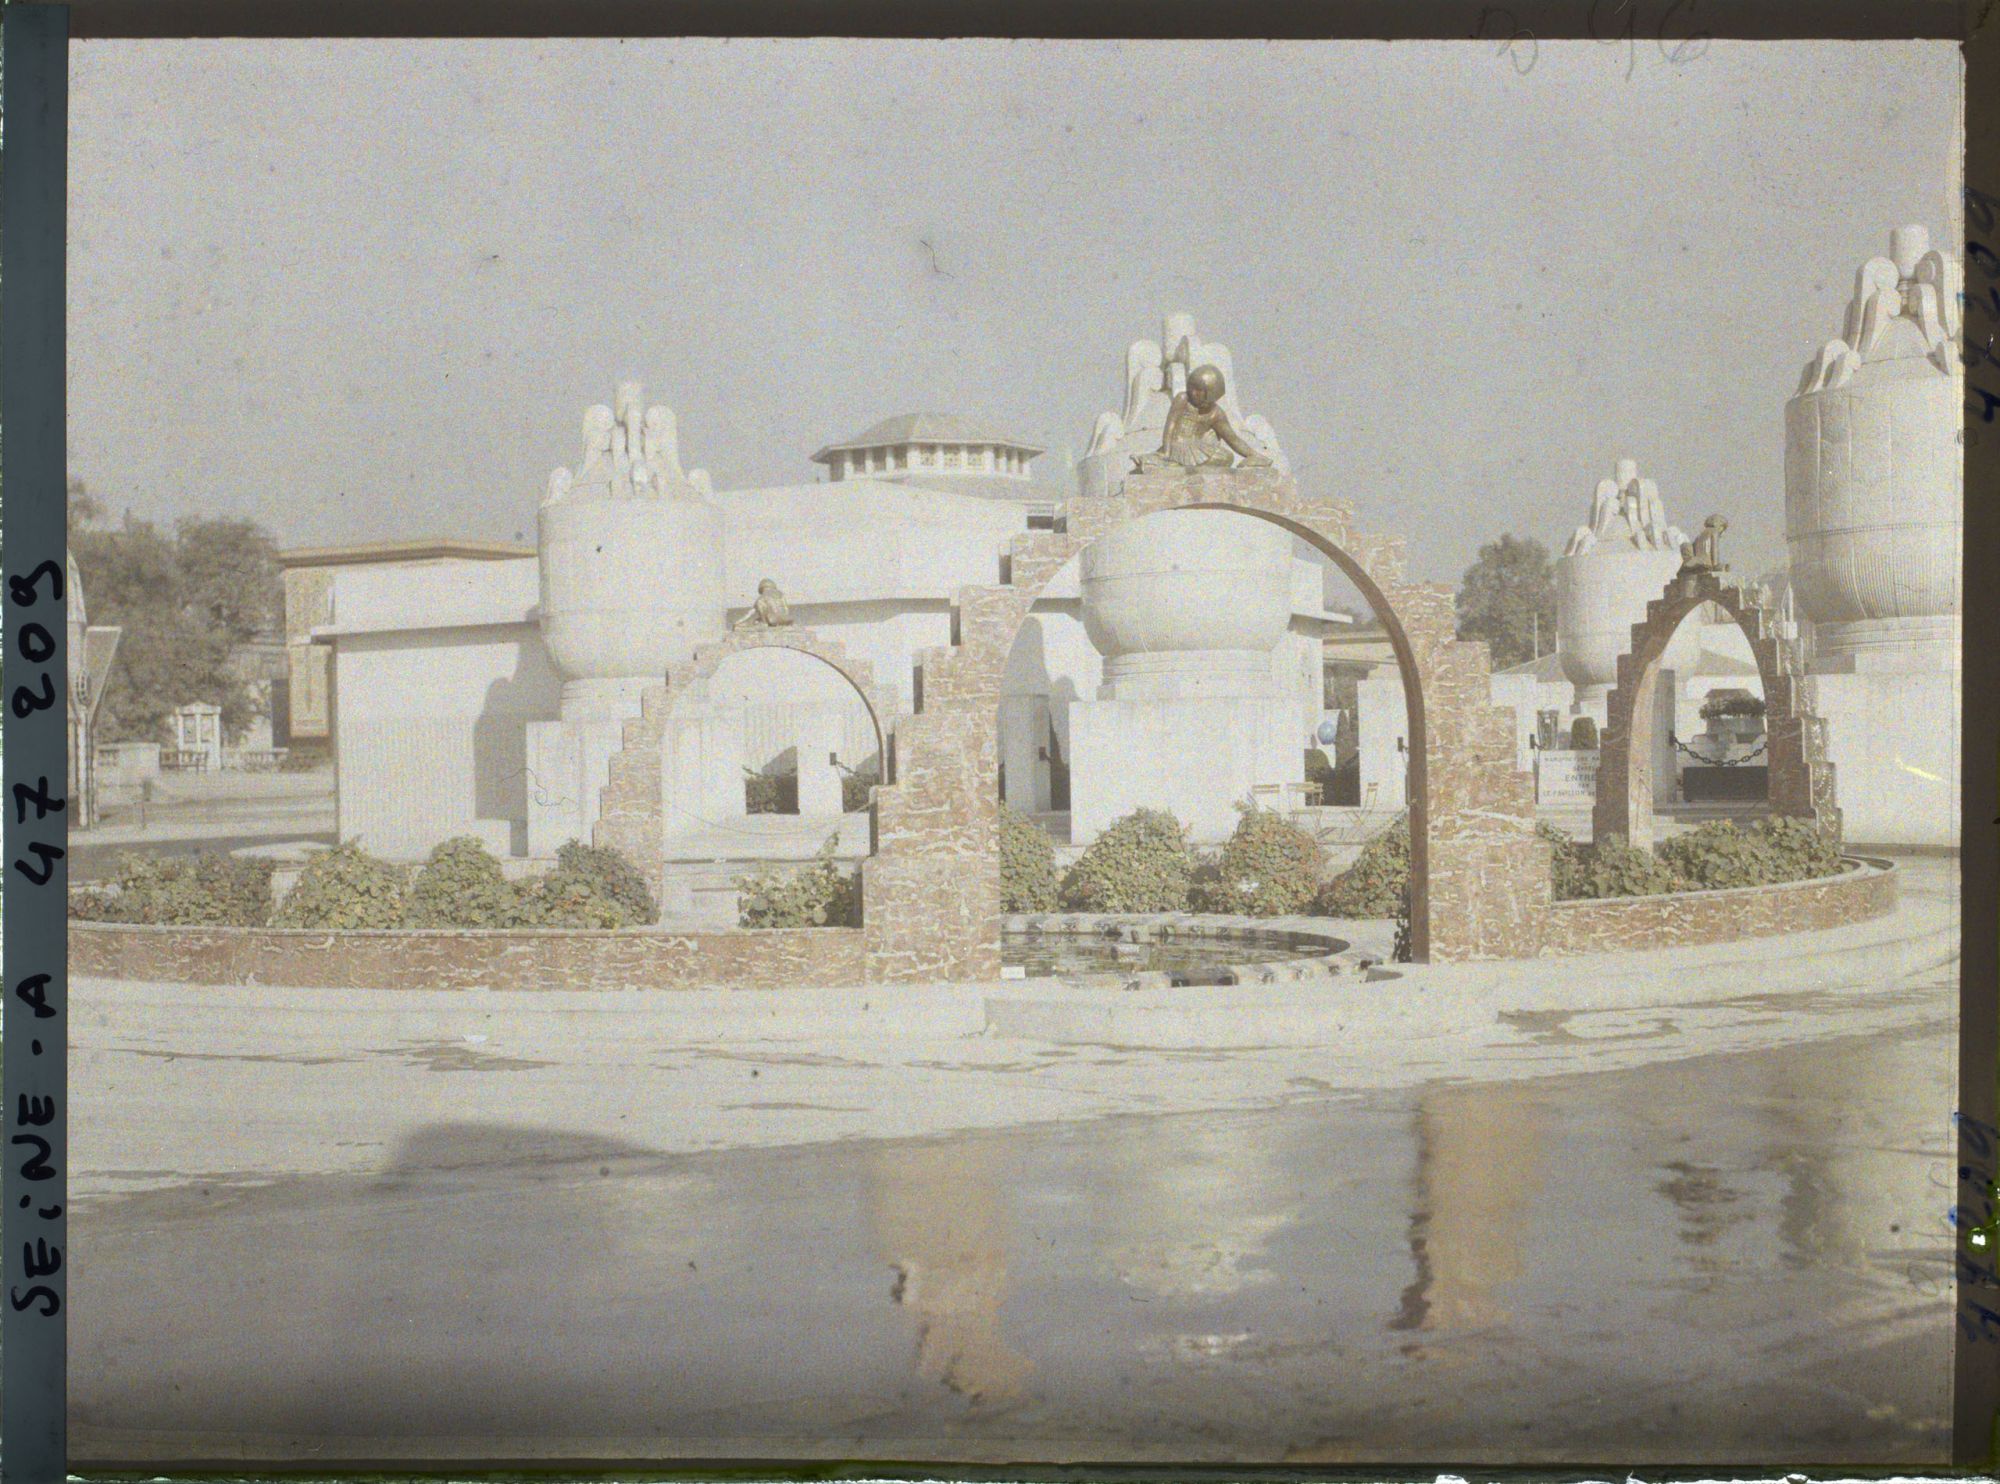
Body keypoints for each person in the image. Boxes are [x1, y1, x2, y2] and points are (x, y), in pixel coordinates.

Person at [1132, 363, 1274, 474]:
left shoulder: (1216, 414)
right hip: (1177, 445)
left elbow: (1233, 439)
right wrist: (1166, 451)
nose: (1194, 393)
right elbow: (1171, 425)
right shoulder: (1182, 399)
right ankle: (1168, 463)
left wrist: (1254, 455)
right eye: (1193, 388)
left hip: (1199, 449)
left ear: (1211, 393)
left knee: (1227, 457)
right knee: (1170, 459)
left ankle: (1178, 468)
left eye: (1200, 390)